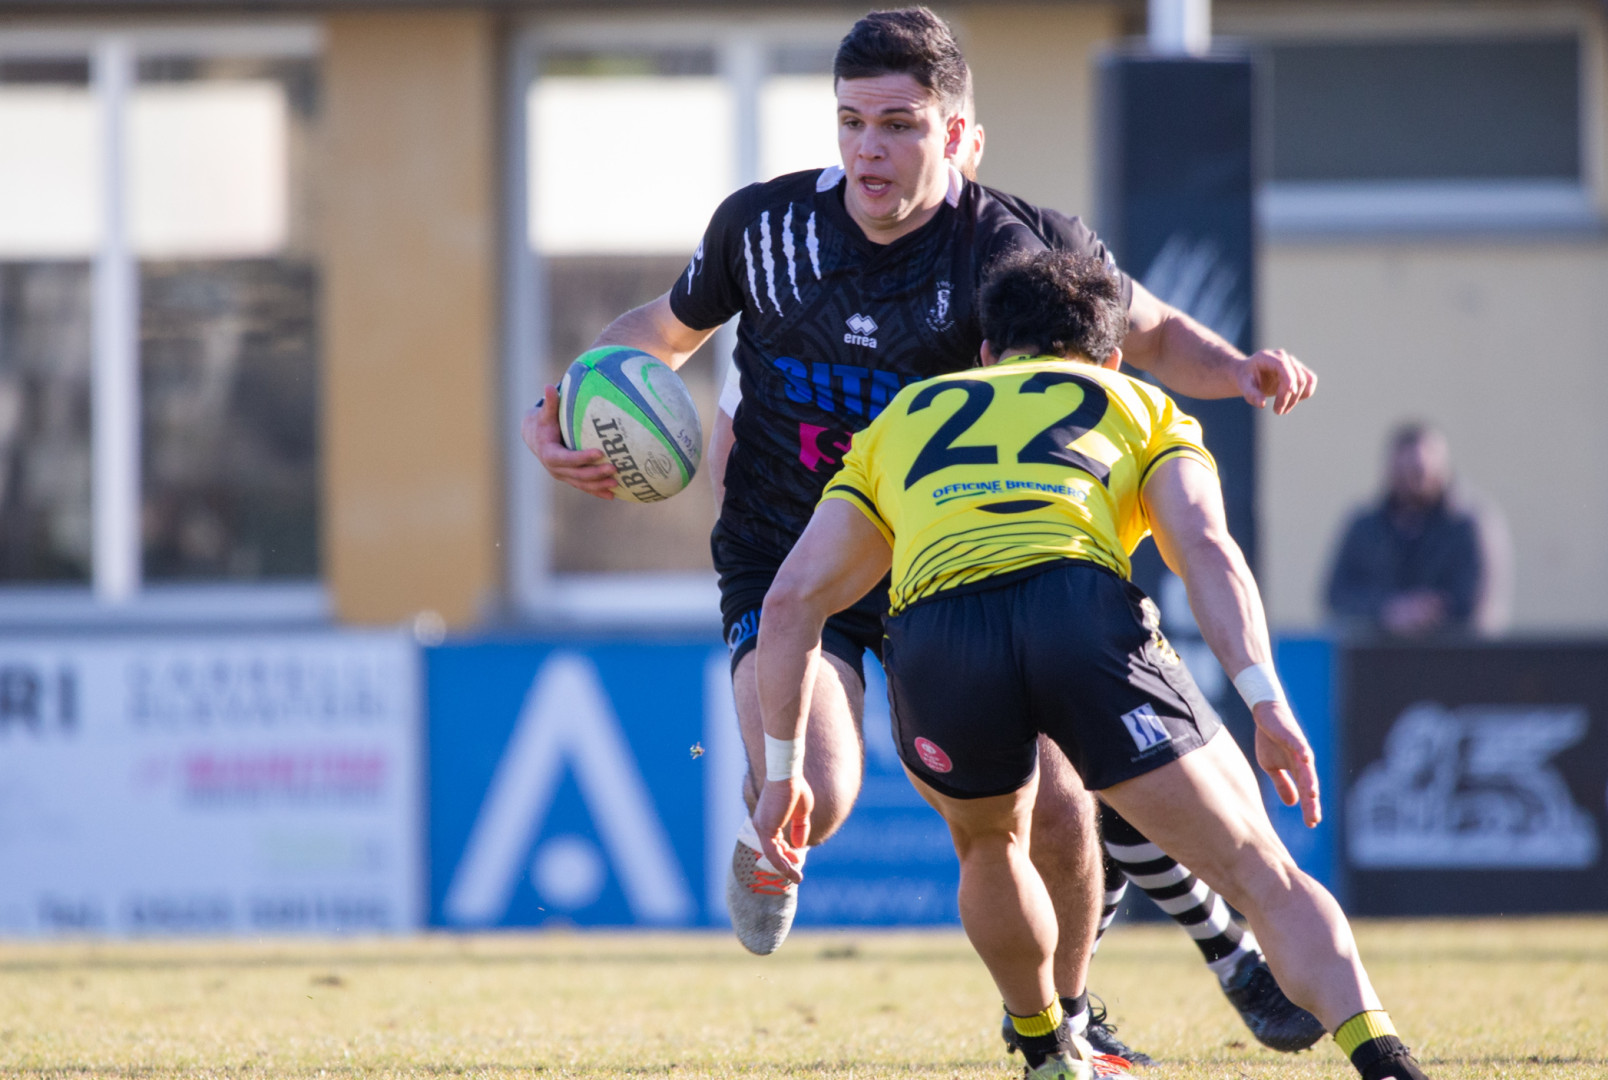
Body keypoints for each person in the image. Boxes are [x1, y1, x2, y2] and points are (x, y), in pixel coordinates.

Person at [520, 8, 1319, 1062]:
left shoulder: (1014, 249)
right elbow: (663, 335)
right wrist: (569, 405)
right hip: (789, 553)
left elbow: (1152, 329)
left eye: (898, 124)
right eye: (851, 121)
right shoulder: (763, 230)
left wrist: (1241, 371)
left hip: (957, 564)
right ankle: (778, 816)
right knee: (828, 792)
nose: (867, 149)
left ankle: (1060, 1024)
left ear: (960, 139)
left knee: (1062, 813)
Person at [751, 250, 1433, 1080]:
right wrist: (1264, 699)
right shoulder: (1141, 402)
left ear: (987, 356)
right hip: (1077, 612)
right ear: (1108, 358)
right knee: (1261, 874)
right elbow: (1207, 552)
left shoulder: (904, 416)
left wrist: (785, 772)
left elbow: (790, 604)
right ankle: (1389, 1064)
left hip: (936, 633)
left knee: (990, 845)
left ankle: (1045, 1051)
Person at [1323, 422, 1511, 637]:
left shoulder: (1470, 525)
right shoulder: (1365, 527)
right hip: (1379, 659)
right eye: (1401, 472)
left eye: (1418, 472)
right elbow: (1336, 596)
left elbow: (1479, 604)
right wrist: (1387, 610)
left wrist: (1426, 612)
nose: (1410, 483)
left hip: (1456, 661)